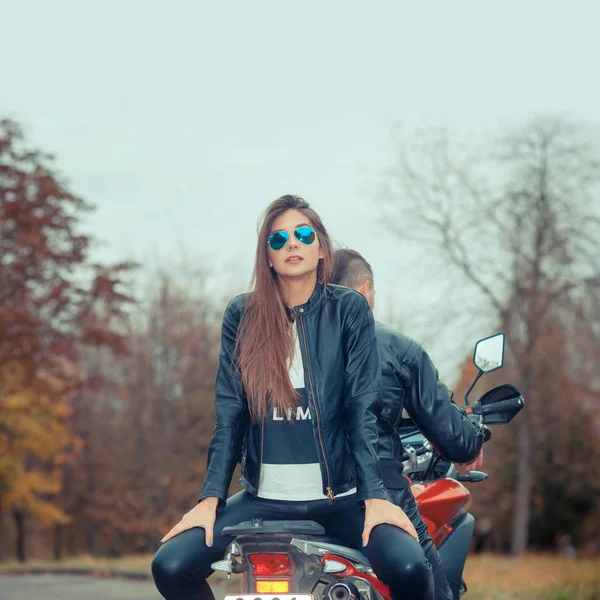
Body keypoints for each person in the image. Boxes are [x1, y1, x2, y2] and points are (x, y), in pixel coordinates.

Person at [151, 196, 434, 600]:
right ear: (266, 255)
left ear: (321, 248)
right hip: (263, 500)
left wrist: (375, 497)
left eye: (303, 234)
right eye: (278, 238)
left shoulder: (348, 309)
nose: (292, 244)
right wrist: (209, 500)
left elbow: (360, 411)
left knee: (411, 569)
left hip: (341, 499)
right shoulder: (242, 315)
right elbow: (230, 418)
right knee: (170, 566)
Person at [330, 248, 486, 600]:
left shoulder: (297, 344)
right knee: (433, 590)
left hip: (295, 495)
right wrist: (472, 440)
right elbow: (453, 435)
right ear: (366, 289)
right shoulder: (399, 349)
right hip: (380, 490)